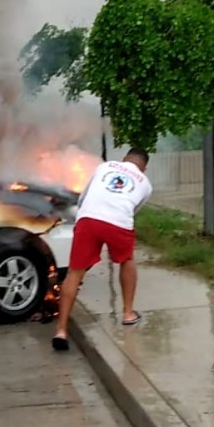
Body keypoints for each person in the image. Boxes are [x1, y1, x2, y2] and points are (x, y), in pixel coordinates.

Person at [52, 147, 152, 351]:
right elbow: (133, 209)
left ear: (124, 159)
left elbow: (83, 198)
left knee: (74, 273)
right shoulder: (145, 183)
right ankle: (128, 313)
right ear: (144, 168)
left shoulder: (105, 167)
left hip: (88, 218)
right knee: (127, 260)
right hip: (119, 221)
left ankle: (61, 331)